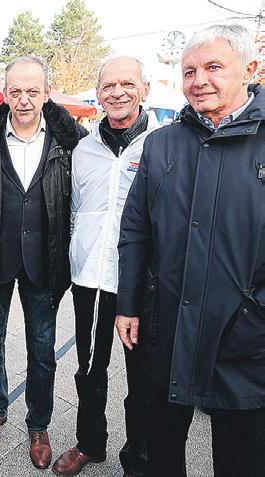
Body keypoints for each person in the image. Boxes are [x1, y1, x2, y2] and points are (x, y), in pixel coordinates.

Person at [116, 24, 265, 477]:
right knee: (162, 449)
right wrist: (129, 305)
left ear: (250, 69)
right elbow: (136, 230)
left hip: (245, 337)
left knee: (241, 458)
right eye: (189, 71)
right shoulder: (162, 144)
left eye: (213, 67)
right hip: (167, 329)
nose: (199, 81)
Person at [0, 55, 87, 469]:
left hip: (44, 262)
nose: (24, 99)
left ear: (46, 93)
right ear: (5, 94)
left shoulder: (70, 142)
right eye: (16, 91)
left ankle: (39, 424)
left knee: (42, 349)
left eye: (32, 91)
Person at [52, 57, 156, 477]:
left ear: (144, 89)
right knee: (90, 370)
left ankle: (139, 456)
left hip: (142, 281)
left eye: (127, 83)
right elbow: (75, 210)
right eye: (108, 85)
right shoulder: (85, 149)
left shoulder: (160, 144)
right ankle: (90, 443)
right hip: (91, 279)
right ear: (98, 94)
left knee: (143, 377)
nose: (117, 92)